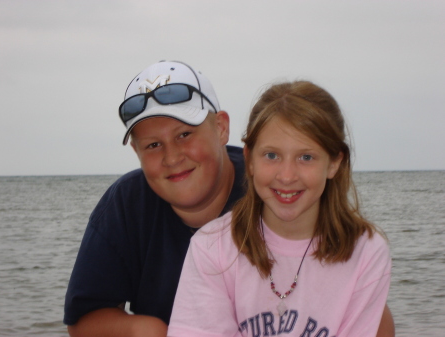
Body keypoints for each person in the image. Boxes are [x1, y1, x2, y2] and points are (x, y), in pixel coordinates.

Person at [64, 61, 394, 337]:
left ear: (222, 129)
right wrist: (151, 331)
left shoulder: (277, 190)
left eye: (184, 134)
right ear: (136, 151)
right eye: (153, 145)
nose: (172, 156)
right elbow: (82, 320)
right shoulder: (129, 206)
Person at [168, 80, 392, 336]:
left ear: (333, 163)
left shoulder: (366, 252)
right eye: (271, 155)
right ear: (249, 159)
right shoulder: (211, 247)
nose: (287, 176)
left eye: (306, 157)